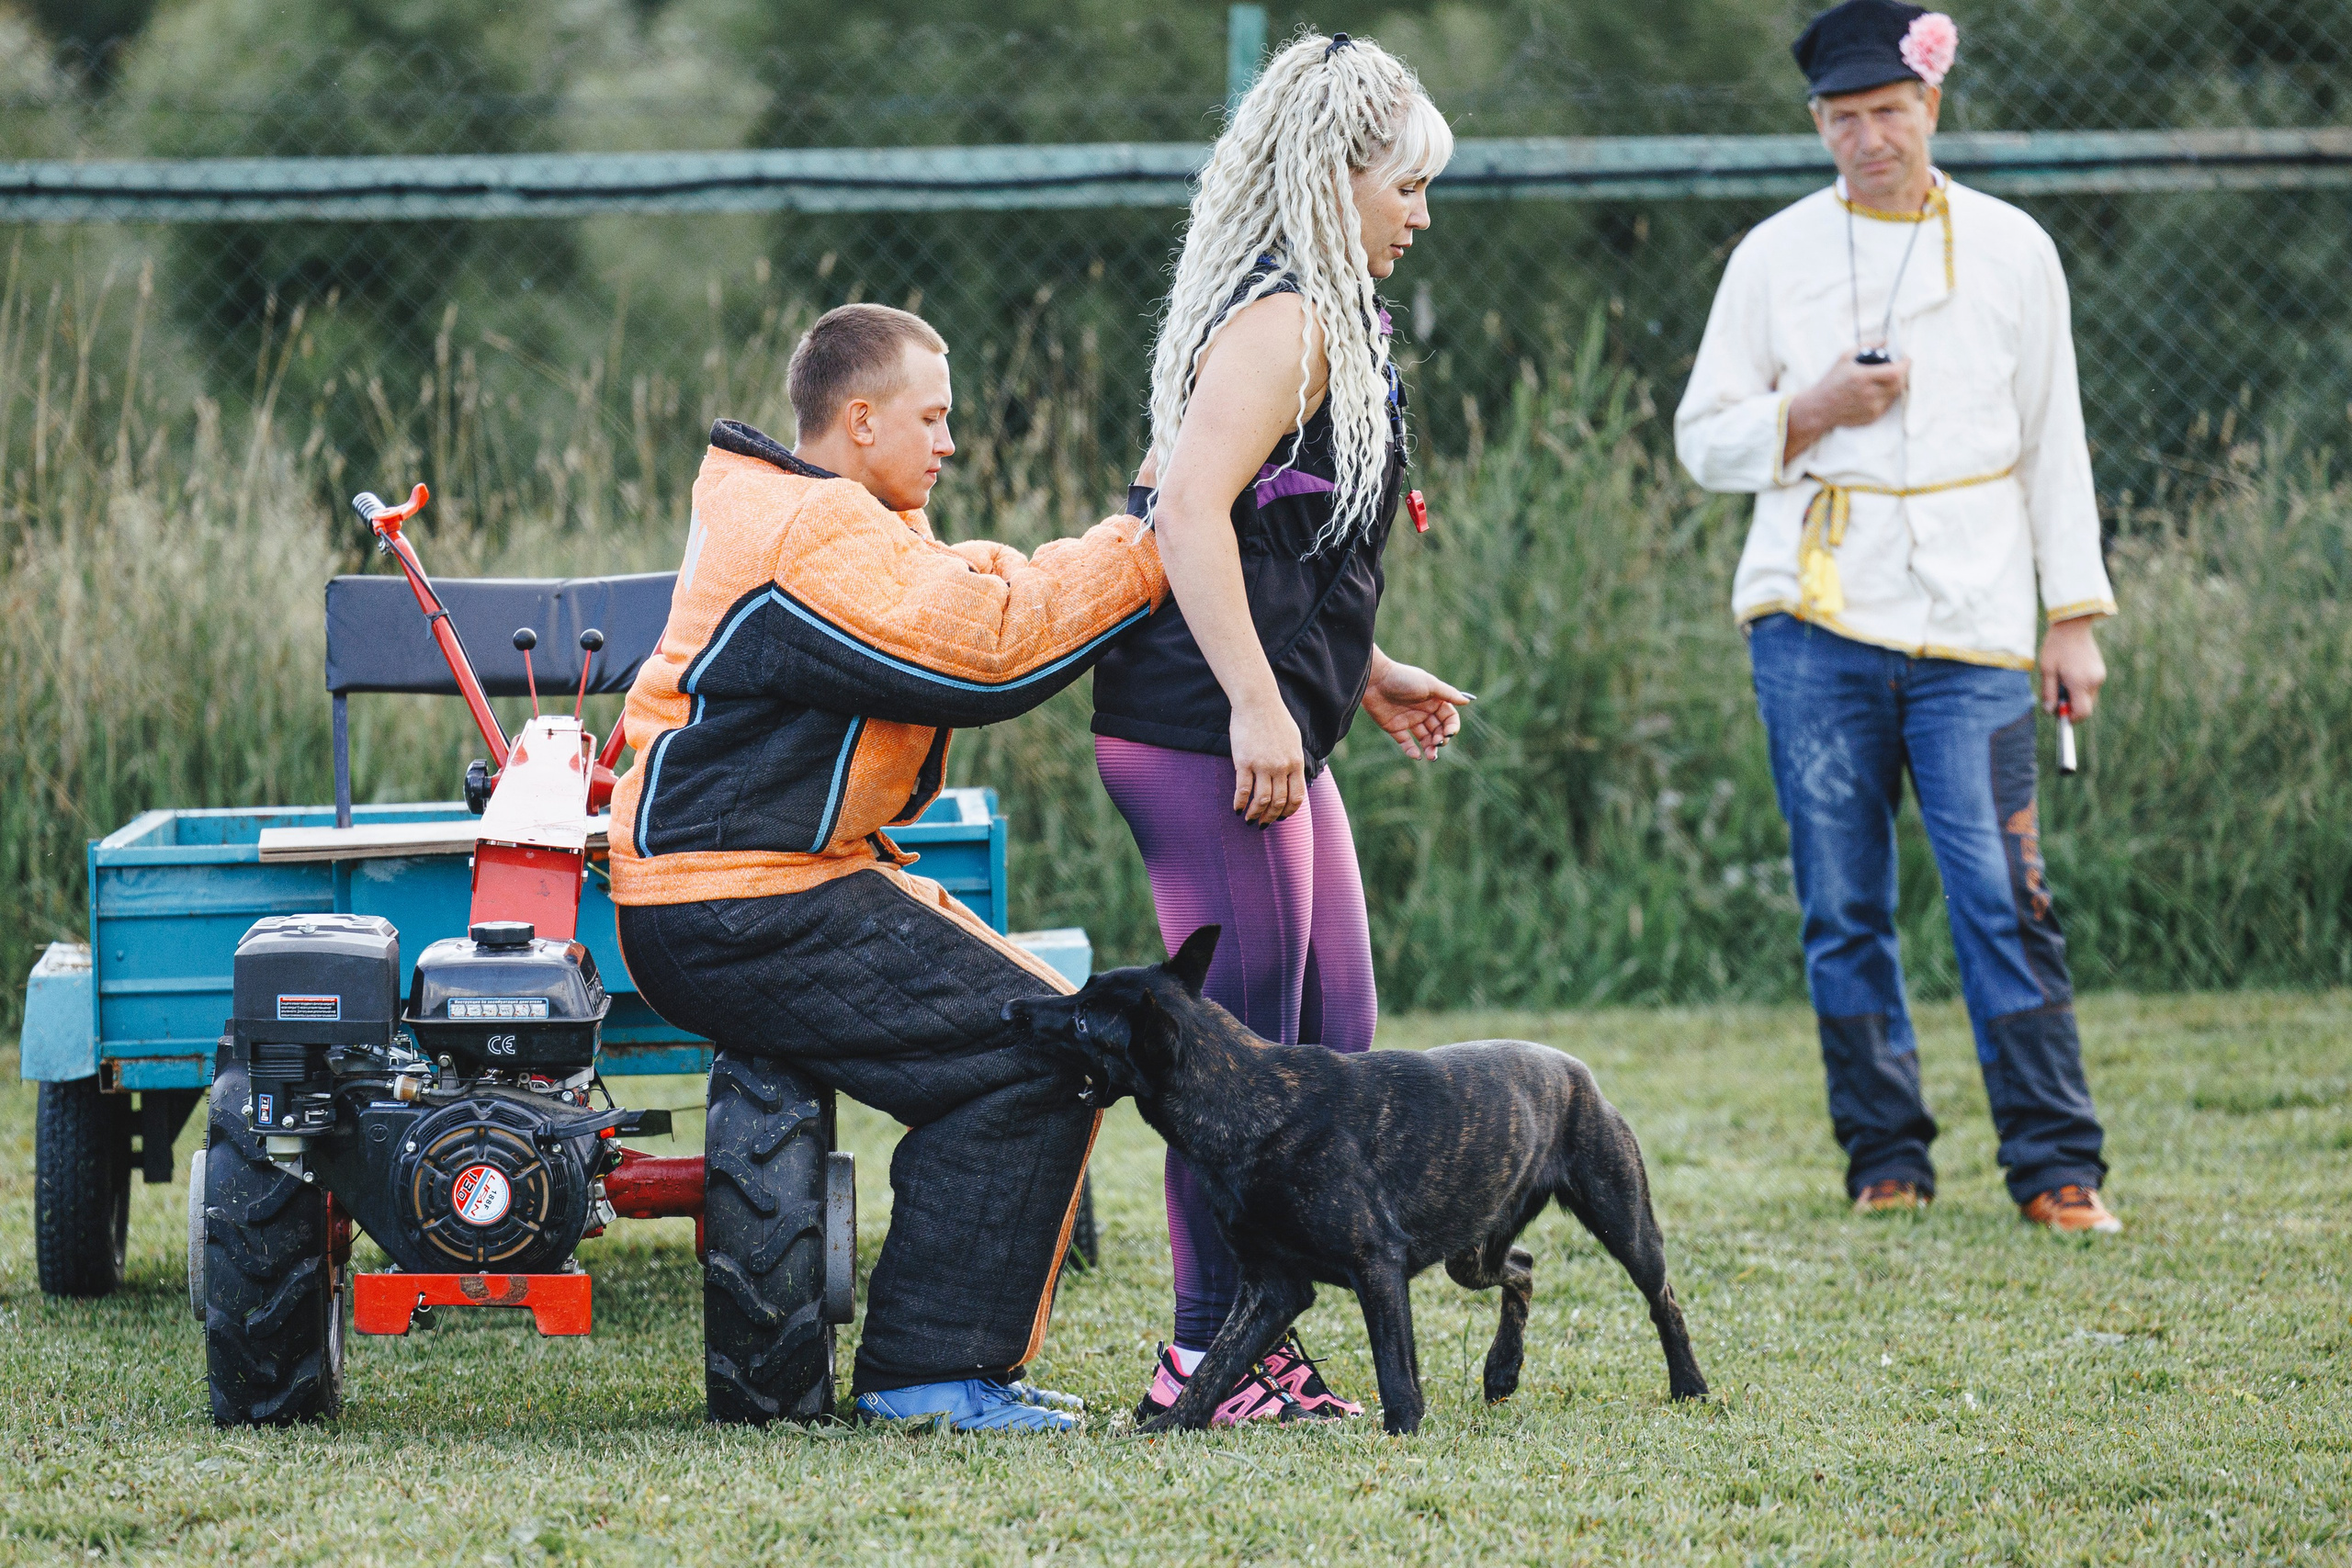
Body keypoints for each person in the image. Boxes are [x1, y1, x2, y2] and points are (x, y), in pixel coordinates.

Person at [609, 303, 1169, 1431]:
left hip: (742, 886)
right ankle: (930, 1375)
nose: (951, 441)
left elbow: (966, 586)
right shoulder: (816, 535)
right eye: (934, 416)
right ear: (861, 420)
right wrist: (1149, 543)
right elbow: (990, 655)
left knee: (1031, 1040)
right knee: (1049, 1053)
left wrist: (1096, 548)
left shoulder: (812, 514)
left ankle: (944, 1365)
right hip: (740, 899)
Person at [1676, 0, 2122, 1235]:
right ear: (1817, 123)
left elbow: (2056, 439)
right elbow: (1704, 438)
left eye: (1889, 110)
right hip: (1816, 620)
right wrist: (1810, 408)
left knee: (2003, 890)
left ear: (1930, 107)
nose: (1869, 136)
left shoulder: (2015, 246)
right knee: (1842, 899)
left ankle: (2055, 1162)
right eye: (1844, 116)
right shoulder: (1772, 257)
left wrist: (2071, 613)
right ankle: (1885, 1155)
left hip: (1978, 620)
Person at [1089, 31, 1471, 1425]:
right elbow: (1178, 507)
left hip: (1271, 719)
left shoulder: (1335, 311)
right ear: (1335, 178)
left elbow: (1277, 536)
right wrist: (1257, 696)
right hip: (1203, 725)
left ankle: (1266, 1329)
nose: (1420, 214)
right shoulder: (1284, 316)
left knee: (1338, 1028)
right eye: (1407, 186)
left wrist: (1363, 672)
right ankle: (1207, 1347)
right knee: (1232, 1063)